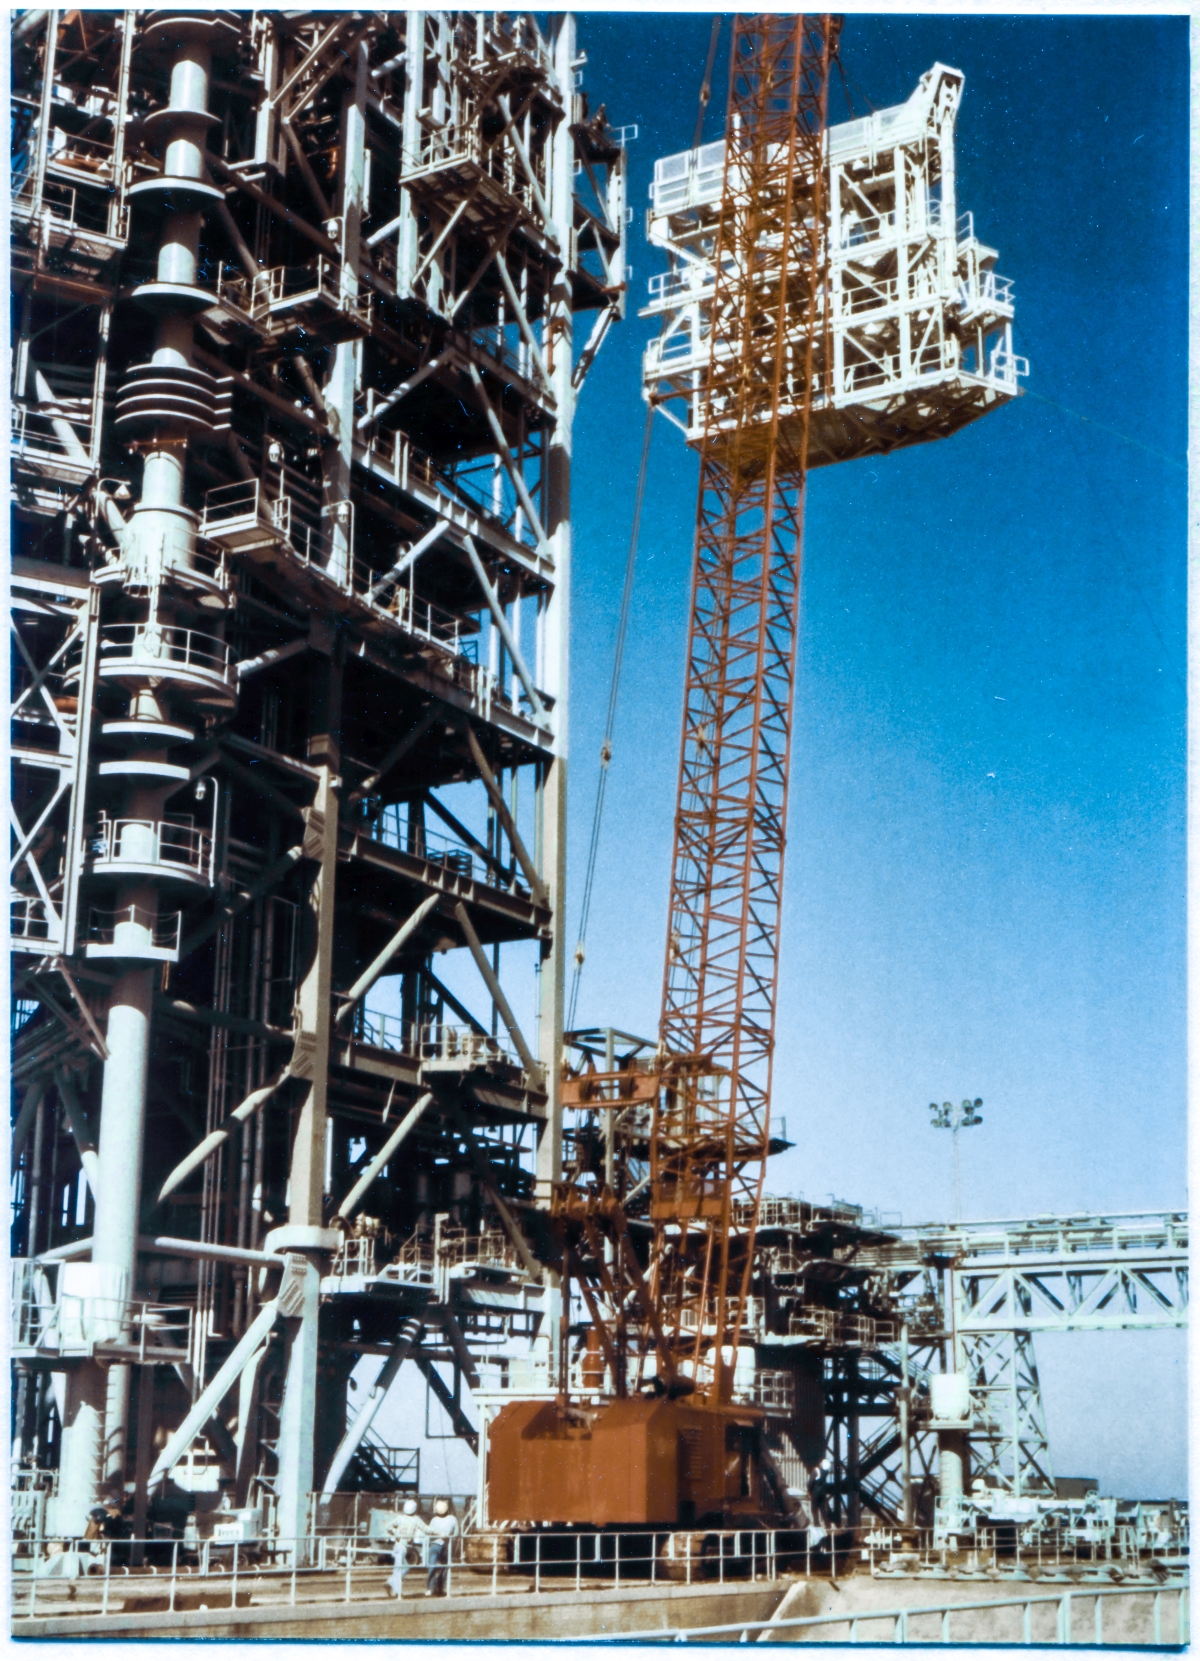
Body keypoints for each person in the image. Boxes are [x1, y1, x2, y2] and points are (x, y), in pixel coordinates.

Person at [387, 1500, 428, 1597]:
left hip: (399, 1545)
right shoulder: (416, 1519)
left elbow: (388, 1526)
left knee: (405, 1567)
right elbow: (426, 1529)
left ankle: (390, 1582)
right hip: (403, 1546)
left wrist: (395, 1532)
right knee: (399, 1568)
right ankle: (398, 1593)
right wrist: (438, 1532)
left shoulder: (400, 1518)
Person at [425, 1498, 458, 1597]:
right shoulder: (453, 1519)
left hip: (434, 1545)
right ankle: (440, 1585)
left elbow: (428, 1532)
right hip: (446, 1546)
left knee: (432, 1567)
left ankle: (430, 1588)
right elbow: (456, 1534)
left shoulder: (434, 1520)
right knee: (446, 1567)